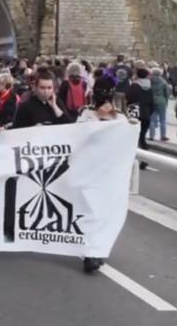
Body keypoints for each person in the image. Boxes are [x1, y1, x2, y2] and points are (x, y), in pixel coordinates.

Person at [77, 77, 132, 273]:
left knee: (104, 214)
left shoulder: (121, 119)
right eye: (100, 90)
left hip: (109, 175)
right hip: (89, 173)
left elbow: (125, 142)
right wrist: (97, 118)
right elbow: (79, 137)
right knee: (90, 212)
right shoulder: (85, 114)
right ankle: (89, 253)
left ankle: (97, 249)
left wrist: (113, 119)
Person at [126, 68, 155, 152]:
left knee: (133, 135)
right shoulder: (149, 87)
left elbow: (129, 97)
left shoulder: (134, 85)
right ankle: (144, 153)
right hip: (146, 113)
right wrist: (149, 112)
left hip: (135, 112)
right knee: (142, 135)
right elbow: (152, 102)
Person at [148, 67, 171, 142]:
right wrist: (166, 102)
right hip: (162, 101)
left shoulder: (150, 81)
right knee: (162, 119)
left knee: (152, 119)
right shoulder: (164, 82)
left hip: (152, 100)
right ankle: (163, 135)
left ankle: (151, 135)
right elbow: (167, 94)